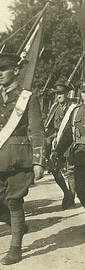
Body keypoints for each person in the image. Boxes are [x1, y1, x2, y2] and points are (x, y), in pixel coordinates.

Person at [0, 53, 45, 265]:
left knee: (14, 201)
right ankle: (18, 226)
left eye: (4, 69)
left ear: (16, 71)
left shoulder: (28, 97)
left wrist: (39, 161)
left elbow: (38, 131)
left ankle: (15, 247)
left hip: (18, 157)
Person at [45, 82, 76, 209]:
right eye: (57, 94)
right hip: (57, 142)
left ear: (67, 93)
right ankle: (66, 193)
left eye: (61, 93)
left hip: (71, 142)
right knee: (55, 170)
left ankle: (71, 198)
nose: (59, 96)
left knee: (70, 171)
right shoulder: (54, 109)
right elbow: (50, 127)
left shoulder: (74, 107)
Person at [56, 78, 85, 208]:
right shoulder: (76, 111)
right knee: (81, 190)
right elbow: (68, 133)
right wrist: (57, 151)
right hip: (80, 155)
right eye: (84, 91)